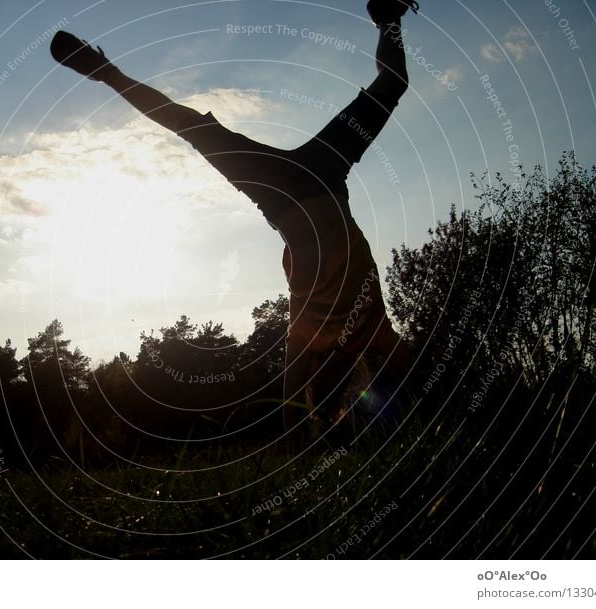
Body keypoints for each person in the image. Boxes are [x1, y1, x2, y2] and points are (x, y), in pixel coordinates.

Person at [50, 0, 419, 444]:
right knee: (390, 84)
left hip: (286, 189)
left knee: (190, 126)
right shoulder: (369, 334)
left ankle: (104, 71)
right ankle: (388, 18)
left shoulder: (316, 334)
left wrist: (298, 440)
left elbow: (296, 398)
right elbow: (395, 366)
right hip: (317, 176)